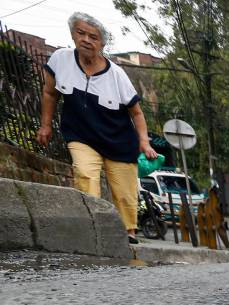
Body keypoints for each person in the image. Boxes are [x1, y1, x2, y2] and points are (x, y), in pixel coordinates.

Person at [35, 12, 158, 245]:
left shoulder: (117, 75)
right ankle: (93, 226)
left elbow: (137, 112)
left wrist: (144, 141)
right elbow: (50, 93)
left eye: (93, 37)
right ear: (73, 34)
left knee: (124, 192)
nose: (86, 40)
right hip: (81, 135)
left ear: (102, 44)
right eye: (81, 33)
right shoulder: (60, 60)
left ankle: (128, 232)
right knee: (85, 174)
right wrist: (45, 125)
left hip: (119, 141)